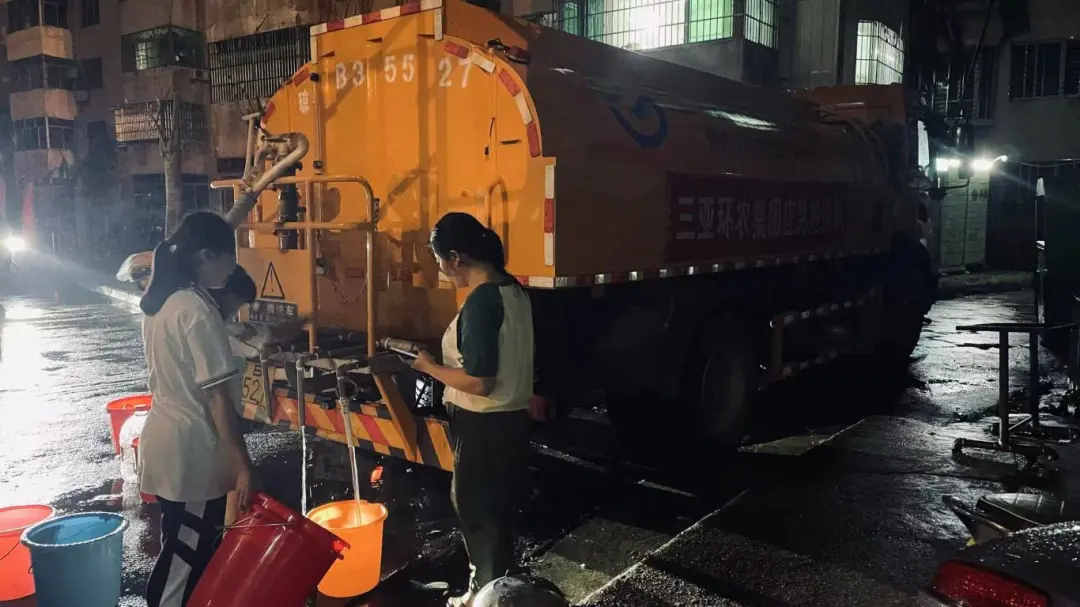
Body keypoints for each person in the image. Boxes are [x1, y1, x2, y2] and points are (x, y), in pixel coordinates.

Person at [412, 212, 535, 607]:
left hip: (482, 423)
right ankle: (497, 589)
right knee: (495, 513)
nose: (440, 269)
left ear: (456, 257)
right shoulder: (513, 289)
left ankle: (484, 596)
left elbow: (481, 381)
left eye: (439, 260)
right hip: (509, 421)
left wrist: (429, 368)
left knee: (478, 513)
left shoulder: (482, 301)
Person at [138, 211, 258, 607]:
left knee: (180, 553)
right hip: (191, 452)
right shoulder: (194, 309)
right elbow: (217, 398)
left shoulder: (162, 301)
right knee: (184, 565)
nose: (233, 268)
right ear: (207, 255)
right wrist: (242, 466)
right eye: (230, 259)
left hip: (168, 438)